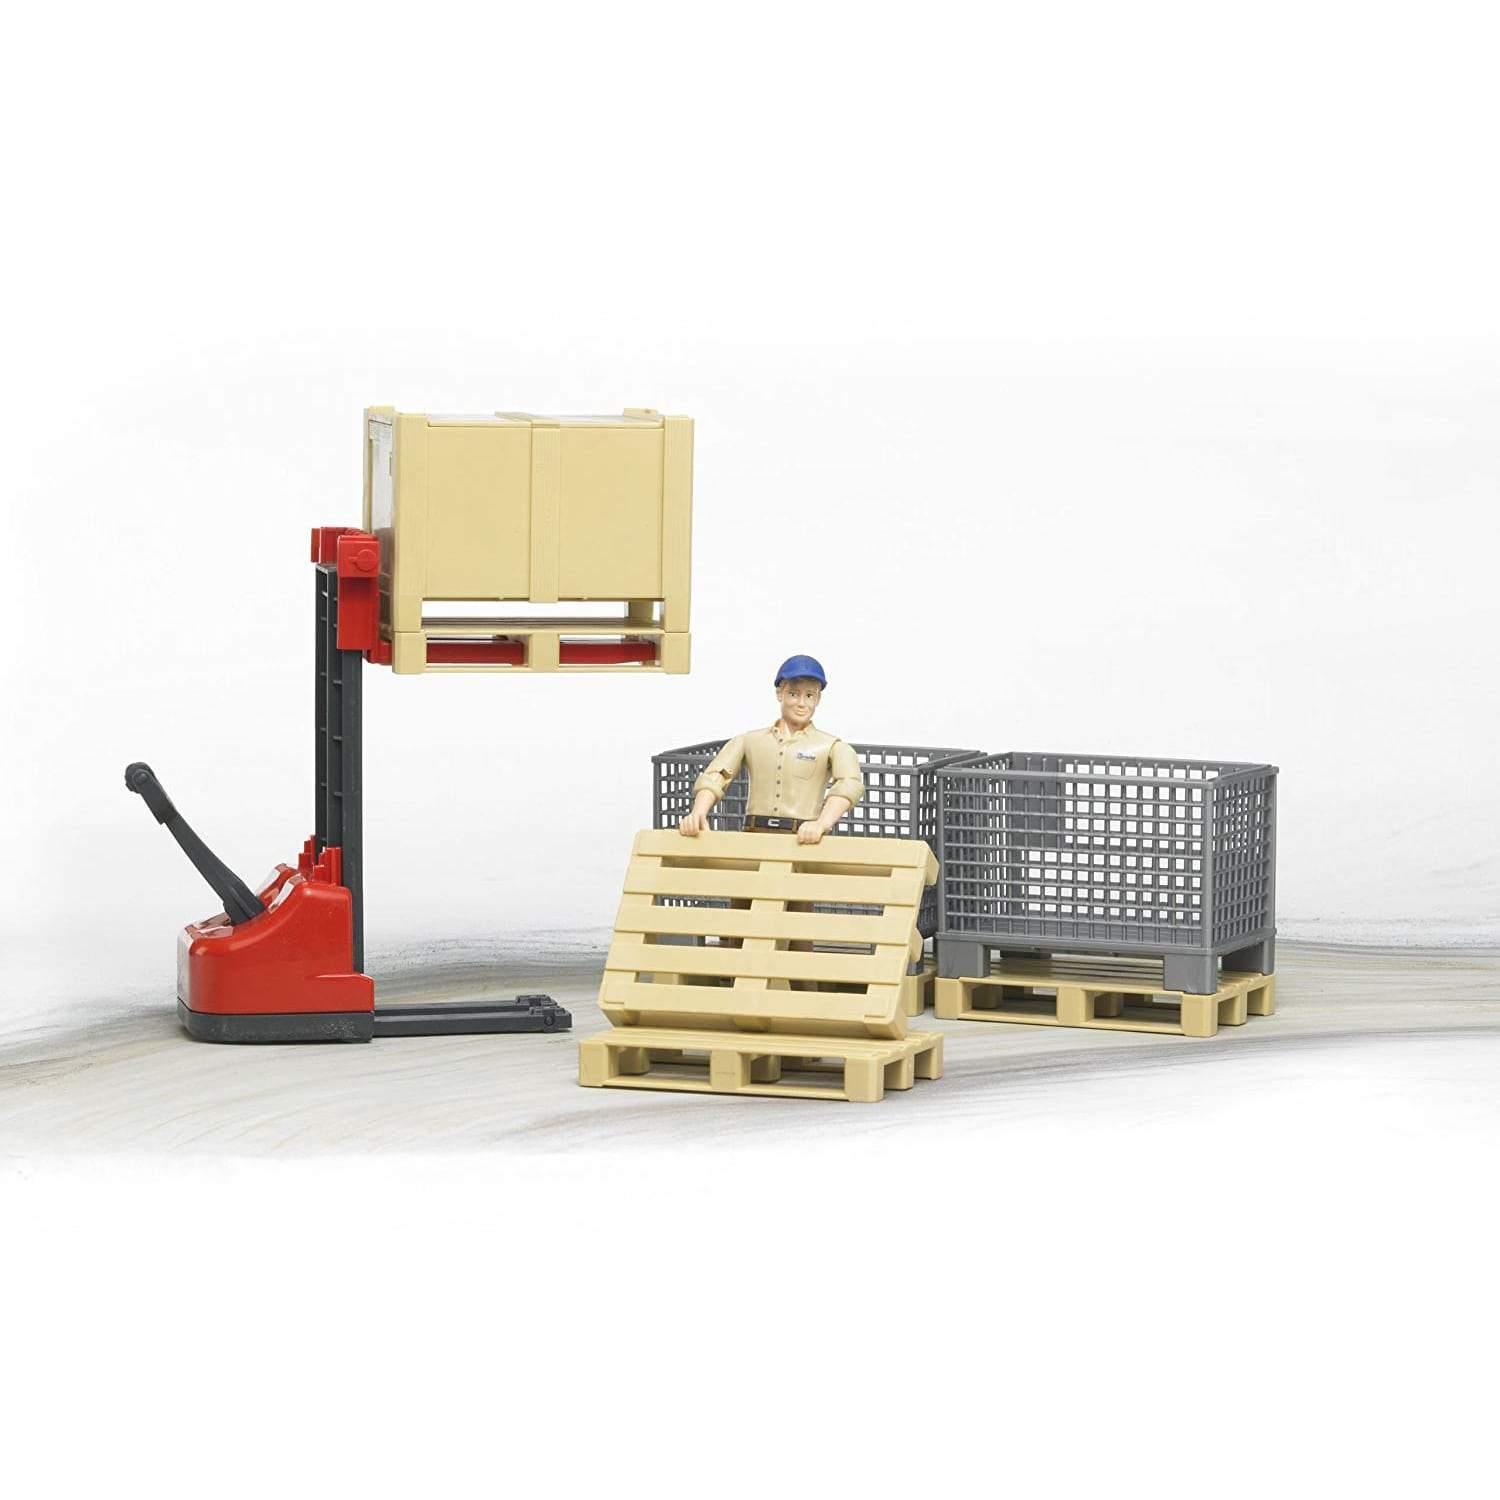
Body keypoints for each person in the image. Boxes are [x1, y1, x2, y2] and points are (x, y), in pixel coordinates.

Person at [677, 654, 863, 844]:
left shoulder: (832, 746)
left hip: (803, 839)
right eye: (793, 694)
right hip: (754, 836)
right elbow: (716, 776)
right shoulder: (749, 740)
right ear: (779, 694)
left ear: (818, 699)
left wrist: (822, 823)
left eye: (809, 696)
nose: (801, 703)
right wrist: (698, 812)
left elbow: (849, 785)